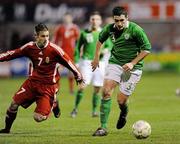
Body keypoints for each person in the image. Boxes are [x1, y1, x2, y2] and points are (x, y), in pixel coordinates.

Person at [0, 23, 83, 134]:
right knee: (13, 105)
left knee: (38, 118)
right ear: (36, 36)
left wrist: (78, 75)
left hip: (47, 87)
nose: (46, 39)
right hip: (32, 83)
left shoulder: (54, 49)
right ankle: (7, 129)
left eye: (47, 36)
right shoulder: (30, 47)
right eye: (43, 36)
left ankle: (54, 103)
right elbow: (14, 53)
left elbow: (68, 62)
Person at [91, 6, 151, 136]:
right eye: (116, 20)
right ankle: (103, 128)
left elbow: (146, 49)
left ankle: (124, 112)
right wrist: (96, 58)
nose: (119, 23)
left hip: (133, 68)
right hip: (115, 63)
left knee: (121, 101)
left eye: (122, 20)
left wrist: (132, 63)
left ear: (127, 18)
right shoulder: (109, 28)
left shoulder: (136, 30)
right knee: (106, 91)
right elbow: (100, 40)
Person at [70, 11, 112, 118]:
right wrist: (76, 62)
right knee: (82, 86)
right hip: (86, 62)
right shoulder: (84, 33)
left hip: (100, 63)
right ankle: (75, 109)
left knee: (97, 88)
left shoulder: (104, 32)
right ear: (90, 20)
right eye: (93, 19)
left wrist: (105, 51)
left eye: (97, 19)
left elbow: (109, 45)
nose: (95, 21)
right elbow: (77, 48)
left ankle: (94, 111)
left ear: (100, 21)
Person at [53, 12, 80, 95]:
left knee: (71, 72)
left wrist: (79, 51)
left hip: (72, 53)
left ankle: (71, 90)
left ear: (71, 19)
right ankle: (57, 88)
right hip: (61, 53)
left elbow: (79, 41)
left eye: (68, 18)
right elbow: (55, 40)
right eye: (65, 18)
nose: (66, 19)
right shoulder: (59, 28)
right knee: (57, 71)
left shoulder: (75, 28)